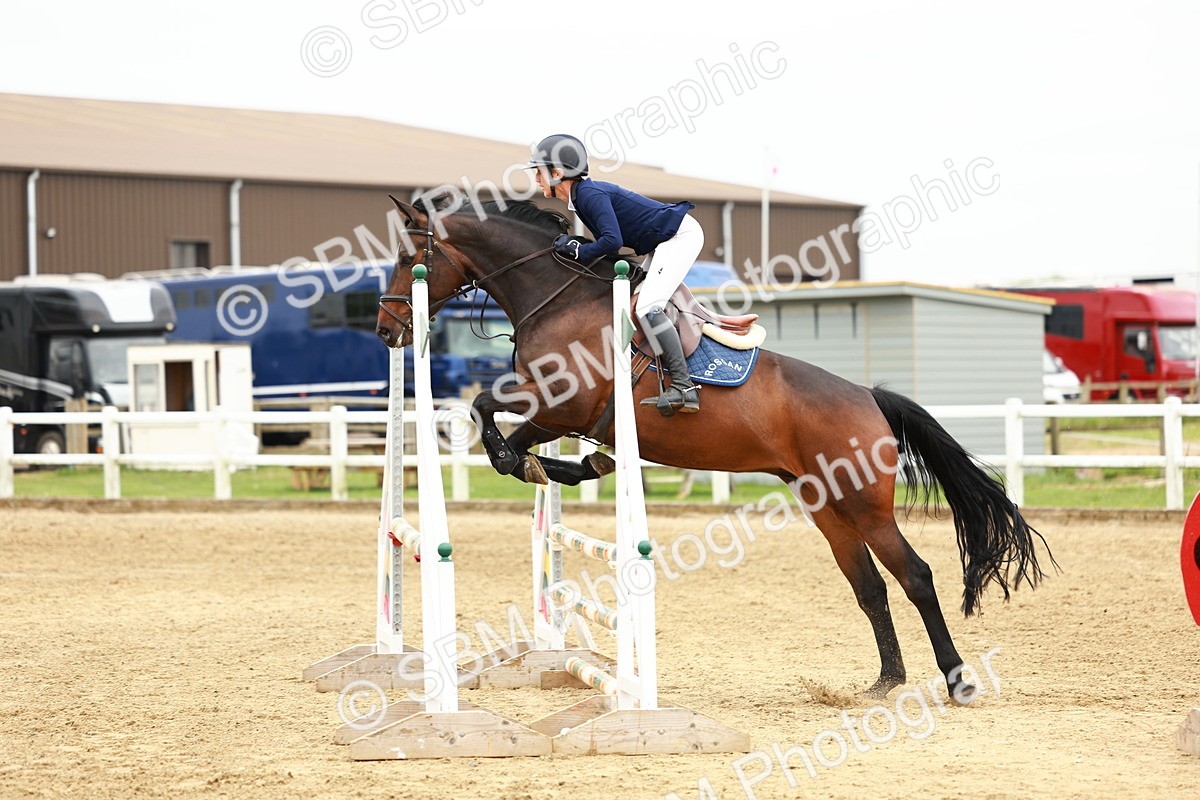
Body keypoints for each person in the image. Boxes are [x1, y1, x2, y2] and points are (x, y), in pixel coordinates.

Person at [526, 133, 703, 414]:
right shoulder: (581, 198)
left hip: (679, 236)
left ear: (557, 173)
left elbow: (612, 241)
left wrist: (578, 251)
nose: (536, 179)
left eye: (539, 171)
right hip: (661, 242)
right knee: (634, 301)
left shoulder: (588, 195)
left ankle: (685, 386)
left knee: (647, 307)